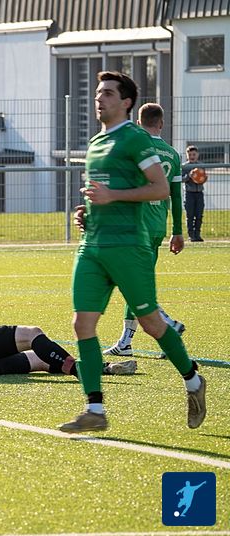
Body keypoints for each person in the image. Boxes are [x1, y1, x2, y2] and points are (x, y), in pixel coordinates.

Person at [61, 71, 206, 434]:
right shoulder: (96, 142)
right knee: (82, 324)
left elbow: (159, 188)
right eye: (98, 93)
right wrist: (86, 212)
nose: (99, 98)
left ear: (126, 102)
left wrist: (113, 197)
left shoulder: (135, 138)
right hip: (92, 246)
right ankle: (95, 409)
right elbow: (100, 194)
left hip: (128, 246)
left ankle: (193, 381)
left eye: (108, 93)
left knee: (152, 323)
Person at [103, 103, 185, 361]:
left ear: (138, 123)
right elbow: (176, 196)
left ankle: (167, 323)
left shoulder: (137, 148)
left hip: (136, 226)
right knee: (136, 281)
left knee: (131, 283)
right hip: (158, 226)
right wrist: (178, 231)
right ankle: (126, 341)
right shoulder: (172, 154)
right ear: (161, 123)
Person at [182, 145, 206, 242]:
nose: (192, 156)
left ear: (197, 155)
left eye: (194, 154)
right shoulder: (185, 166)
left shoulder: (201, 166)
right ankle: (191, 235)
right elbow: (182, 179)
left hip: (199, 193)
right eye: (190, 154)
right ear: (187, 155)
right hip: (189, 193)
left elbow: (203, 179)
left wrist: (204, 178)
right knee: (190, 215)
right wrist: (189, 176)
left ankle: (198, 234)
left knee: (199, 215)